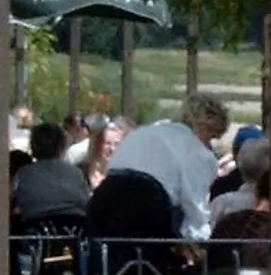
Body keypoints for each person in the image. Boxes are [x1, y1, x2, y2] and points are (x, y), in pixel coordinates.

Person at [106, 94, 229, 239]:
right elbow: (195, 209)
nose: (210, 145)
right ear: (204, 127)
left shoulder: (140, 134)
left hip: (107, 211)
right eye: (212, 137)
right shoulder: (197, 152)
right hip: (151, 223)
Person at [11, 121, 91, 222]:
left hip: (34, 230)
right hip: (75, 230)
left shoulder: (24, 174)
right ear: (62, 146)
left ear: (33, 146)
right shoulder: (76, 173)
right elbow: (86, 202)